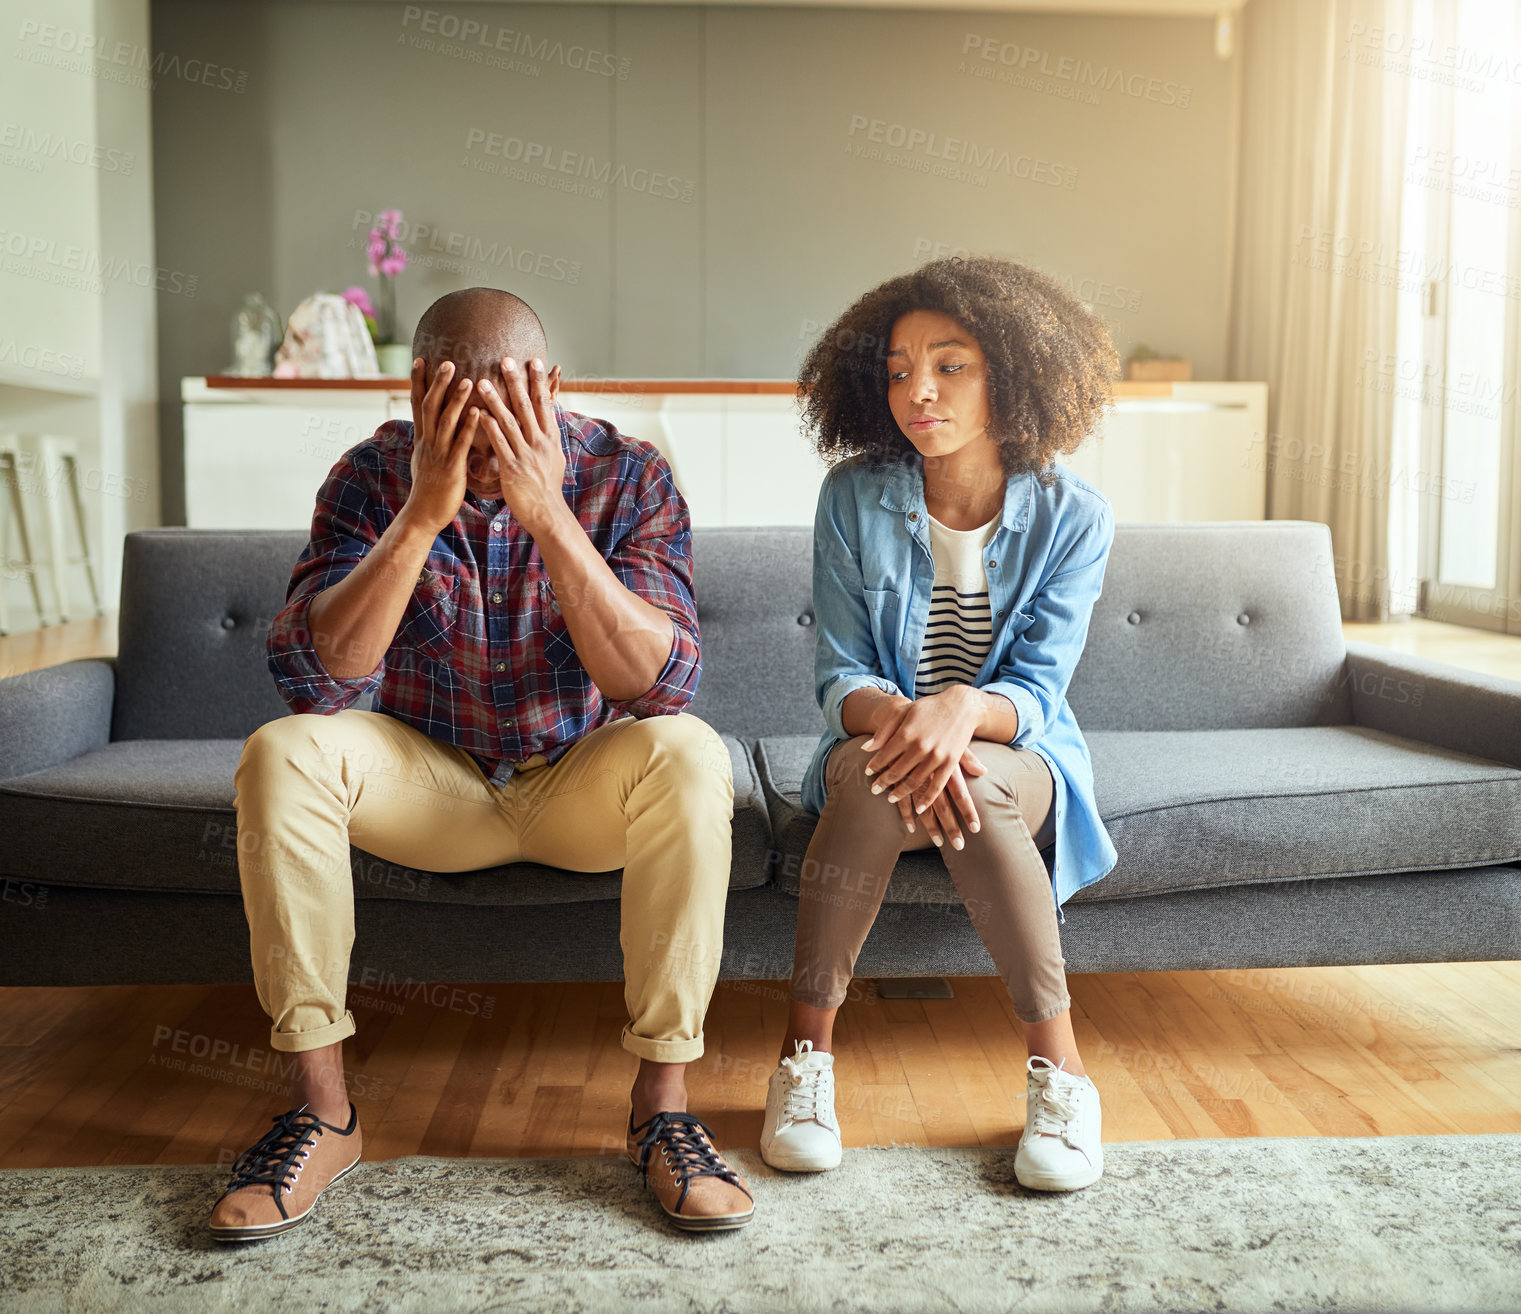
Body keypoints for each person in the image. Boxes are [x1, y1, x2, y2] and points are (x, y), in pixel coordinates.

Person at [209, 287, 753, 1240]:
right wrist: (422, 513)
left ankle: (661, 1109)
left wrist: (549, 516)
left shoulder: (628, 474)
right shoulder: (369, 475)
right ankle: (324, 1112)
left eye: (509, 390)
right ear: (419, 387)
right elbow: (317, 680)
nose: (488, 419)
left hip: (580, 781)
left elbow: (658, 688)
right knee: (282, 750)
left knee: (690, 752)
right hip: (435, 786)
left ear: (548, 384)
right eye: (459, 394)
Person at [759, 256, 1120, 1192]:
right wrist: (911, 722)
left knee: (965, 777)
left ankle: (1062, 1080)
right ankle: (804, 1067)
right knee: (893, 771)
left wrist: (959, 711)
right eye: (896, 370)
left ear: (1015, 370)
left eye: (949, 365)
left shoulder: (1075, 516)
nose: (916, 391)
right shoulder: (851, 497)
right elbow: (840, 675)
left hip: (1014, 755)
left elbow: (1037, 692)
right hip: (874, 744)